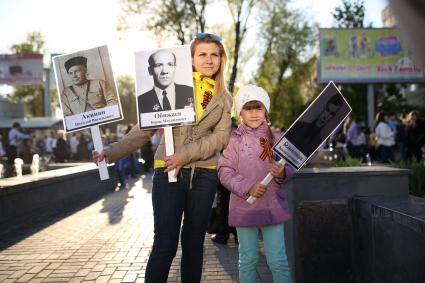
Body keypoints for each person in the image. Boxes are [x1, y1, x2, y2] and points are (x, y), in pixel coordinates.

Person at [92, 33, 232, 283]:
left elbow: (220, 138)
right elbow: (142, 130)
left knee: (193, 244)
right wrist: (110, 153)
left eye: (215, 54)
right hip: (168, 170)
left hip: (205, 174)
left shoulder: (225, 97)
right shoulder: (172, 86)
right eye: (202, 54)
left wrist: (184, 155)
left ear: (222, 59)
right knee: (165, 244)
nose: (209, 60)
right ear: (191, 59)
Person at [218, 85, 294, 283]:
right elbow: (224, 171)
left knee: (278, 260)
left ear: (265, 110)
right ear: (240, 112)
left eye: (258, 108)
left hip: (272, 206)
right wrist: (248, 187)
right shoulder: (234, 140)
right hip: (245, 207)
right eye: (248, 108)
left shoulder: (276, 138)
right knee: (248, 259)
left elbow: (292, 166)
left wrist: (283, 172)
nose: (253, 113)